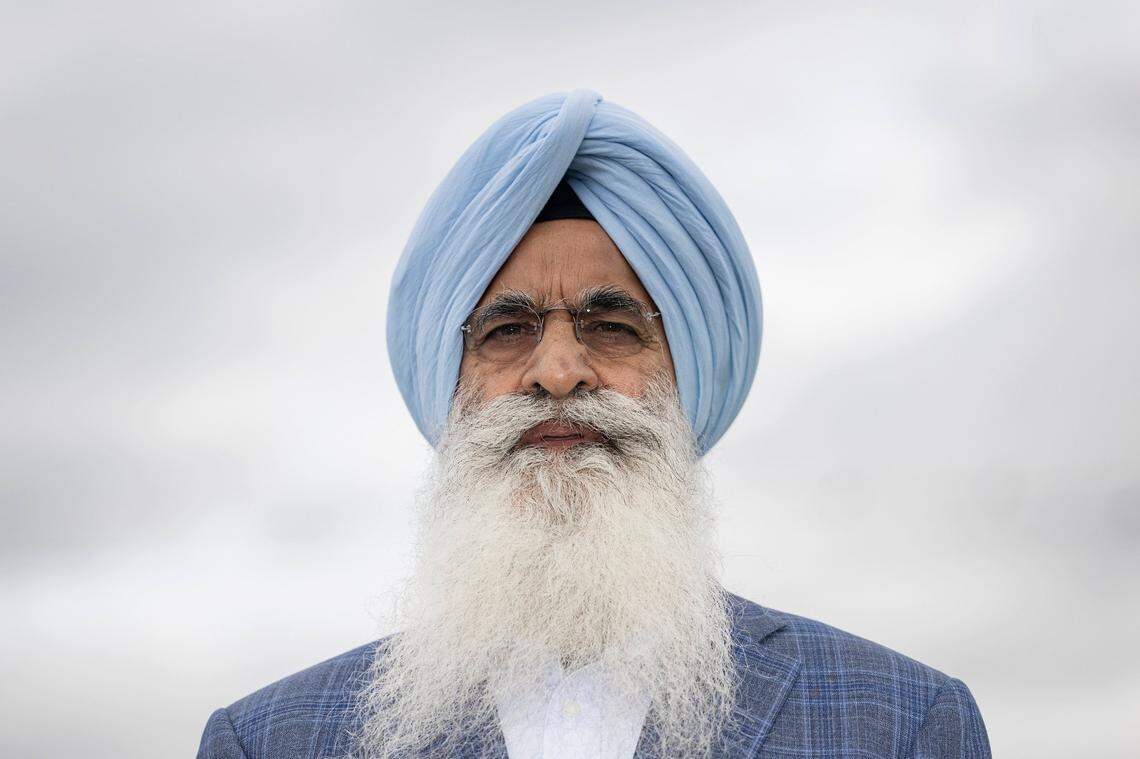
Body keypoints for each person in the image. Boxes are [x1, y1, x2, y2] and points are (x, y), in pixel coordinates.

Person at [196, 90, 991, 758]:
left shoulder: (900, 721)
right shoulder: (272, 740)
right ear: (451, 385)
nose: (557, 371)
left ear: (687, 375)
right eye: (507, 330)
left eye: (611, 326)